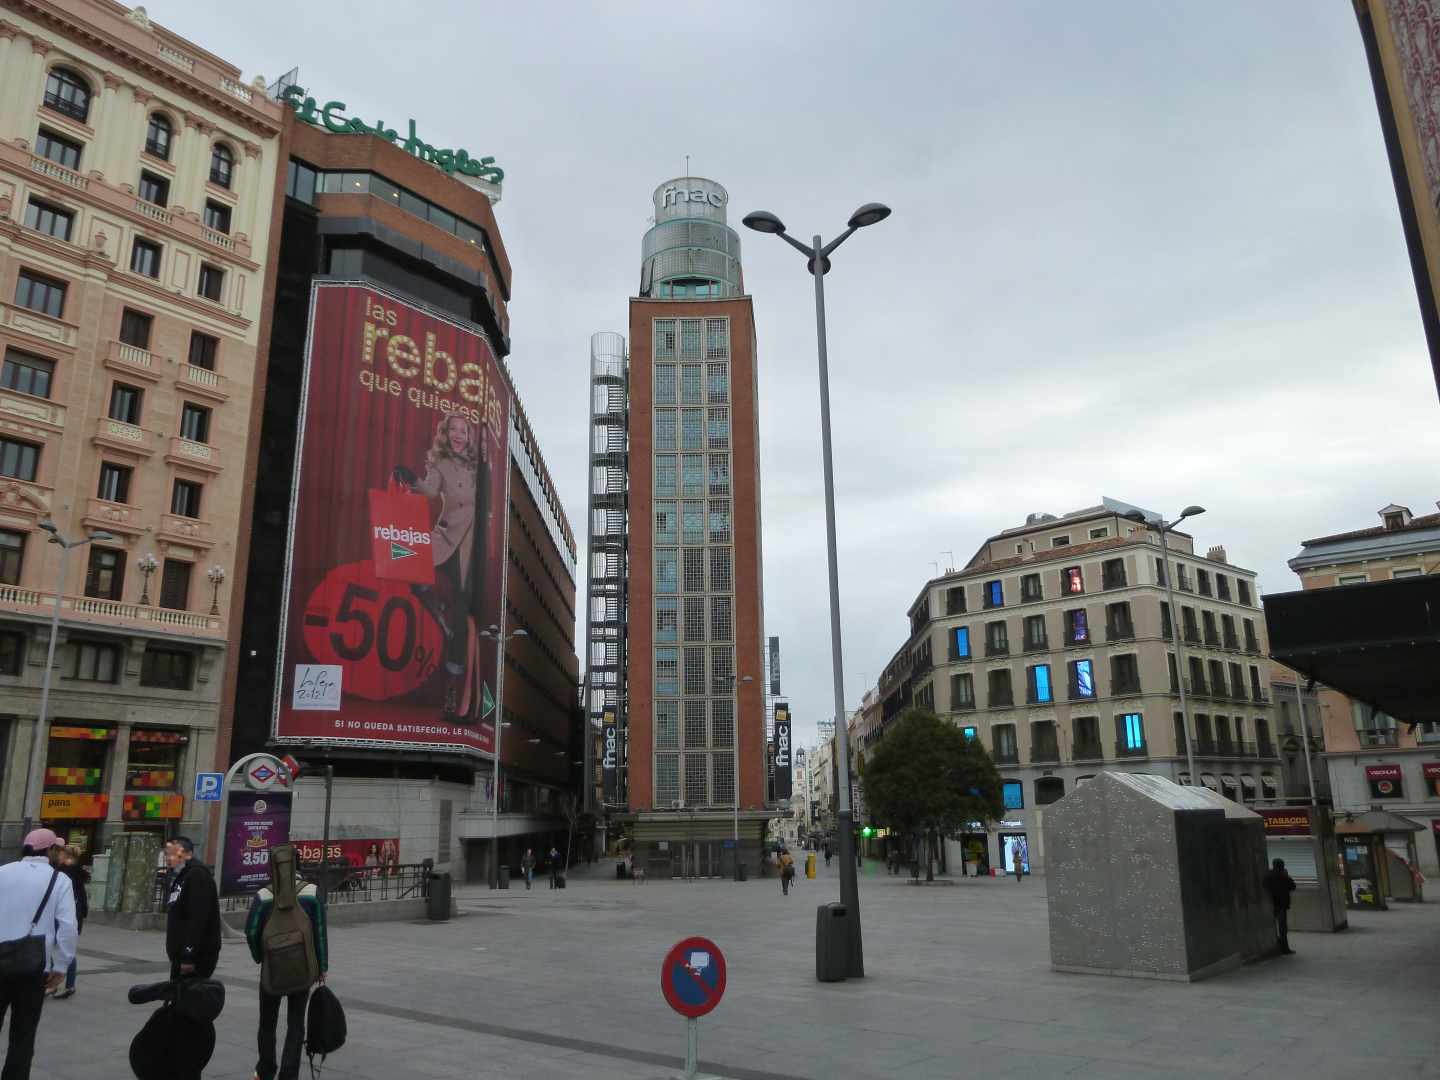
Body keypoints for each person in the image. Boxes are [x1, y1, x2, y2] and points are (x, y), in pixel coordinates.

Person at [396, 414, 485, 722]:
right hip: (445, 537)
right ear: (446, 435)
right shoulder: (440, 464)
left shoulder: (479, 468)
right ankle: (443, 624)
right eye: (453, 430)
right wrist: (411, 479)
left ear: (470, 436)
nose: (459, 435)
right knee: (414, 574)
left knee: (463, 609)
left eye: (464, 430)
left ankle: (453, 683)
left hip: (469, 548)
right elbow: (431, 492)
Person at [0, 828, 77, 1079]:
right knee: (23, 1034)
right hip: (34, 967)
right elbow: (68, 927)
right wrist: (62, 966)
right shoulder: (59, 880)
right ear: (50, 850)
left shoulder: (2, 872)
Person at [245, 847, 328, 1080]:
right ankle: (289, 1074)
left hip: (271, 971)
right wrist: (322, 966)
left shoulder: (264, 895)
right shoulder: (312, 892)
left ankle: (265, 1070)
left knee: (267, 1022)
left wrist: (260, 957)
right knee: (296, 1022)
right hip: (302, 969)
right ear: (298, 865)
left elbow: (251, 931)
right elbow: (320, 931)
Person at [165, 836, 220, 981]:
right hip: (181, 954)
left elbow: (198, 918)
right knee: (177, 997)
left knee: (189, 1000)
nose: (167, 857)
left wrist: (188, 956)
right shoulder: (180, 874)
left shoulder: (197, 875)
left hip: (195, 957)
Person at [51, 845, 87, 1000]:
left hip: (65, 915)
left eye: (60, 855)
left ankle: (64, 985)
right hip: (71, 915)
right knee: (63, 949)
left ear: (66, 857)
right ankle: (64, 984)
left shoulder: (67, 874)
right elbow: (82, 895)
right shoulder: (73, 872)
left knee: (63, 949)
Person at [1263, 857, 1297, 954]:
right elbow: (1293, 886)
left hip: (1271, 904)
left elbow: (1264, 885)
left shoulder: (1268, 875)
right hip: (1281, 905)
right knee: (1282, 928)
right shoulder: (1283, 876)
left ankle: (1278, 944)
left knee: (1273, 926)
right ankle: (1284, 948)